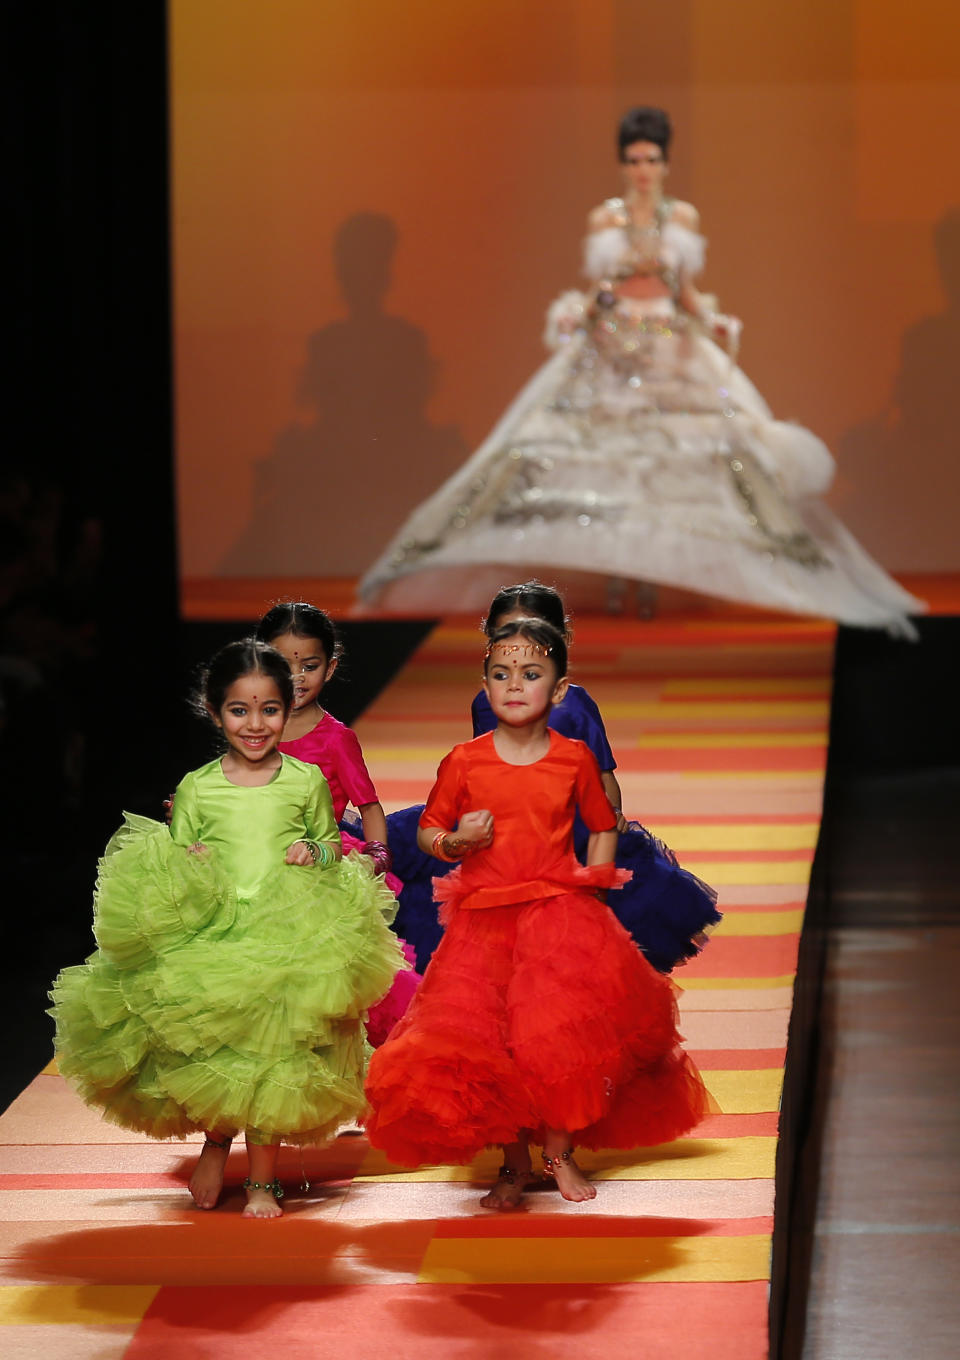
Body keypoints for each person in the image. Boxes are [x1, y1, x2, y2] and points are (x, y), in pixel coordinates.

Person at [359, 107, 923, 637]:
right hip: (611, 348)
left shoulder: (682, 217)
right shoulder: (606, 217)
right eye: (634, 159)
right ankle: (613, 579)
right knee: (596, 464)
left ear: (666, 162)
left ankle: (652, 582)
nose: (643, 169)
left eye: (652, 159)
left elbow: (686, 293)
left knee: (681, 464)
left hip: (672, 348)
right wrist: (586, 310)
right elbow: (598, 290)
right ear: (623, 162)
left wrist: (713, 320)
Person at [49, 639, 406, 1218]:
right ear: (214, 712)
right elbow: (173, 864)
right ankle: (216, 1145)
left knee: (275, 1056)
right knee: (219, 1052)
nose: (256, 723)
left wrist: (312, 852)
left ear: (288, 710)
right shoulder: (197, 787)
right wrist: (186, 861)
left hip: (285, 930)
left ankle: (264, 1181)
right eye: (240, 710)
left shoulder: (305, 780)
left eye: (269, 709)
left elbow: (328, 841)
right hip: (215, 932)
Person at [364, 617, 710, 1210]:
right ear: (484, 686)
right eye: (501, 674)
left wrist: (595, 885)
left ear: (557, 689)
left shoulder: (572, 758)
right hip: (483, 922)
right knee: (488, 1044)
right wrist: (455, 842)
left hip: (557, 915)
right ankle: (511, 1164)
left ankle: (560, 1152)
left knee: (558, 1044)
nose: (514, 685)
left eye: (531, 674)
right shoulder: (464, 761)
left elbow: (603, 824)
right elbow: (427, 832)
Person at [389, 581, 720, 975]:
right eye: (503, 636)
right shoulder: (485, 702)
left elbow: (601, 772)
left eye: (536, 635)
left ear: (562, 640)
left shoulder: (575, 703)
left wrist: (612, 817)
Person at [255, 601, 421, 1044]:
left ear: (330, 667)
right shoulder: (255, 728)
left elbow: (368, 806)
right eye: (281, 664)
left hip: (320, 870)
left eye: (308, 665)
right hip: (258, 861)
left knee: (326, 969)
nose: (296, 677)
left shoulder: (336, 739)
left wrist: (376, 855)